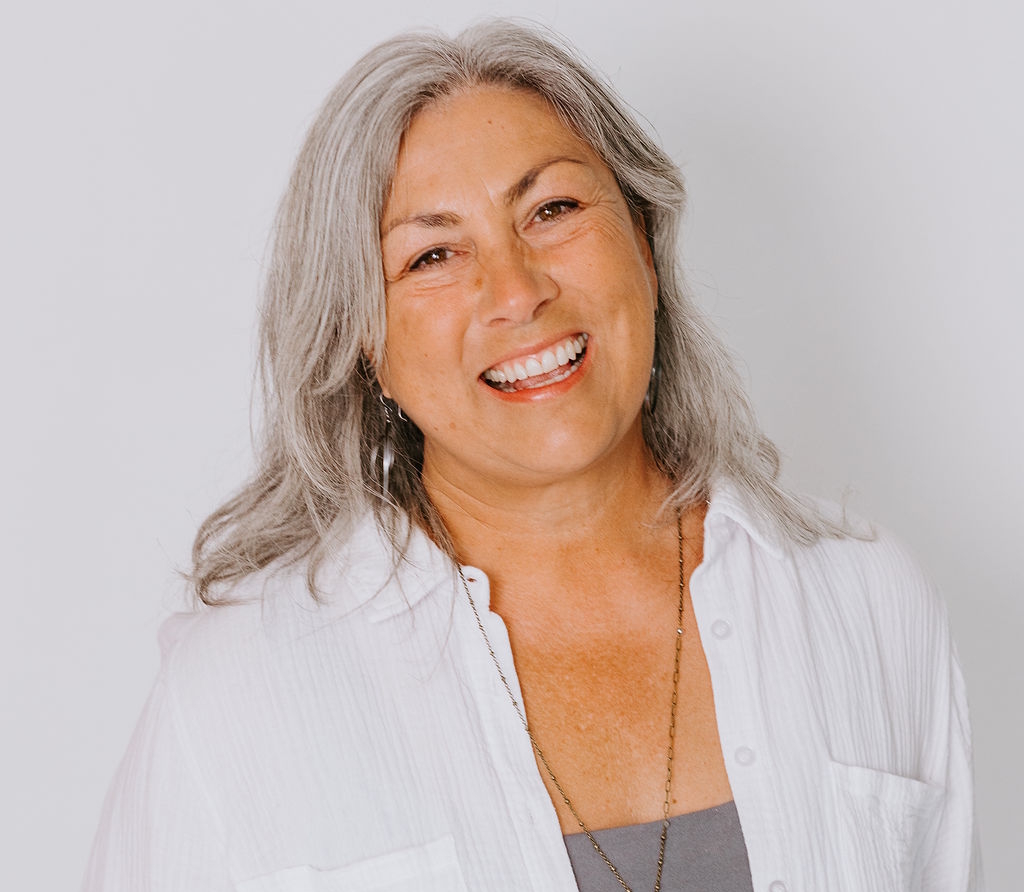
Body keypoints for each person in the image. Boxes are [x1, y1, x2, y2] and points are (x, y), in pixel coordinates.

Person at [83, 19, 981, 892]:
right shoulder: (237, 697)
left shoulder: (864, 601)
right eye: (433, 254)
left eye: (552, 209)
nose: (516, 290)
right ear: (362, 339)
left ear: (644, 242)